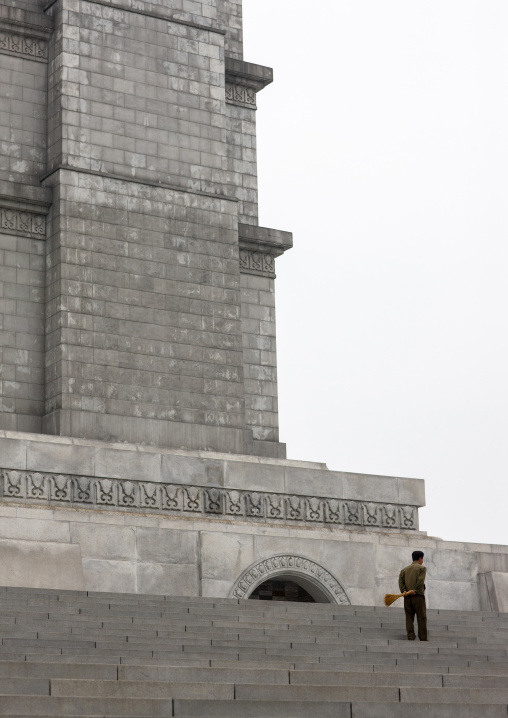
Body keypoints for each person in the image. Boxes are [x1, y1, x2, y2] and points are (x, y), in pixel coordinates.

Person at [398, 550, 428, 641]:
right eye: (422, 559)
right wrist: (415, 590)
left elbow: (400, 581)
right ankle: (423, 637)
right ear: (420, 558)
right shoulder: (422, 568)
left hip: (407, 597)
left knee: (409, 618)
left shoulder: (404, 570)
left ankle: (410, 636)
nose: (422, 561)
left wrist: (404, 591)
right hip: (418, 596)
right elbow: (420, 581)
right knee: (421, 617)